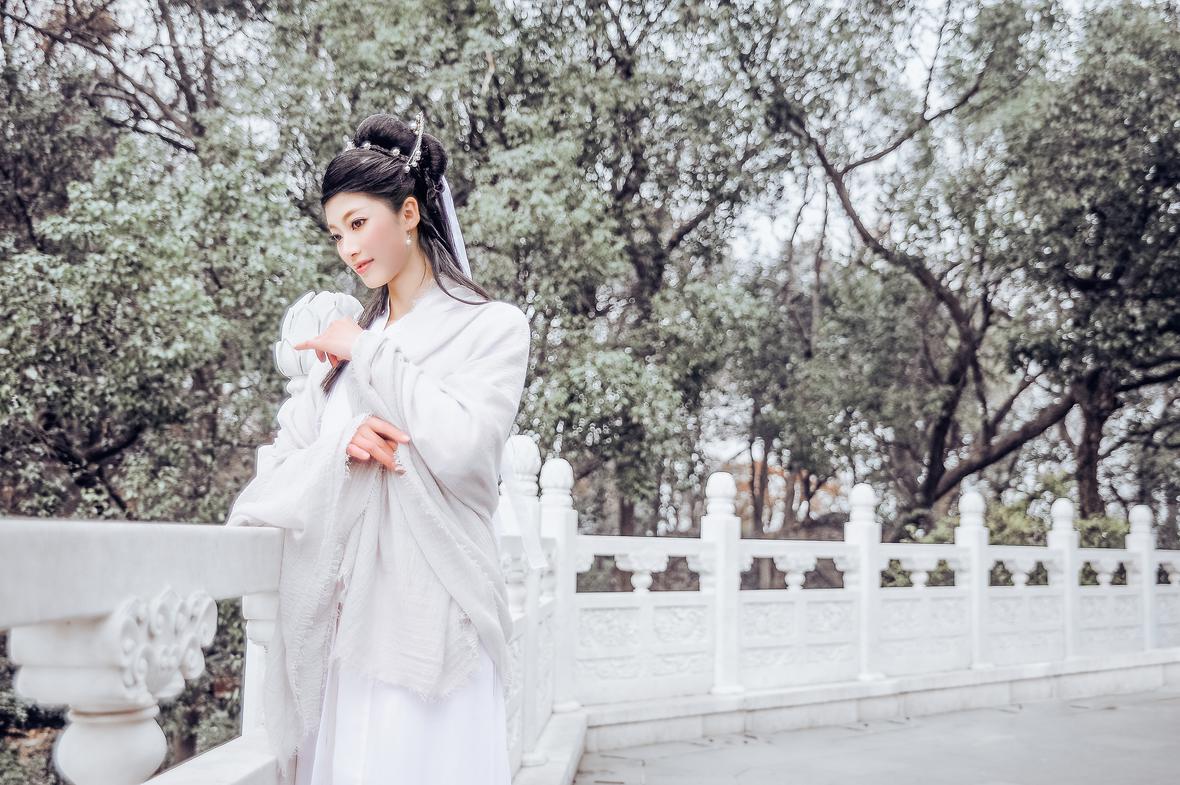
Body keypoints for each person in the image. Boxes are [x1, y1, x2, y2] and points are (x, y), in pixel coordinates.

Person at [225, 111, 530, 785]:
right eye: (336, 234)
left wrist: (366, 349)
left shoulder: (492, 327)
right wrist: (343, 444)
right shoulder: (336, 354)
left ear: (410, 212)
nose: (348, 248)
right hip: (347, 622)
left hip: (436, 612)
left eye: (359, 223)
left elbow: (466, 451)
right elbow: (277, 474)